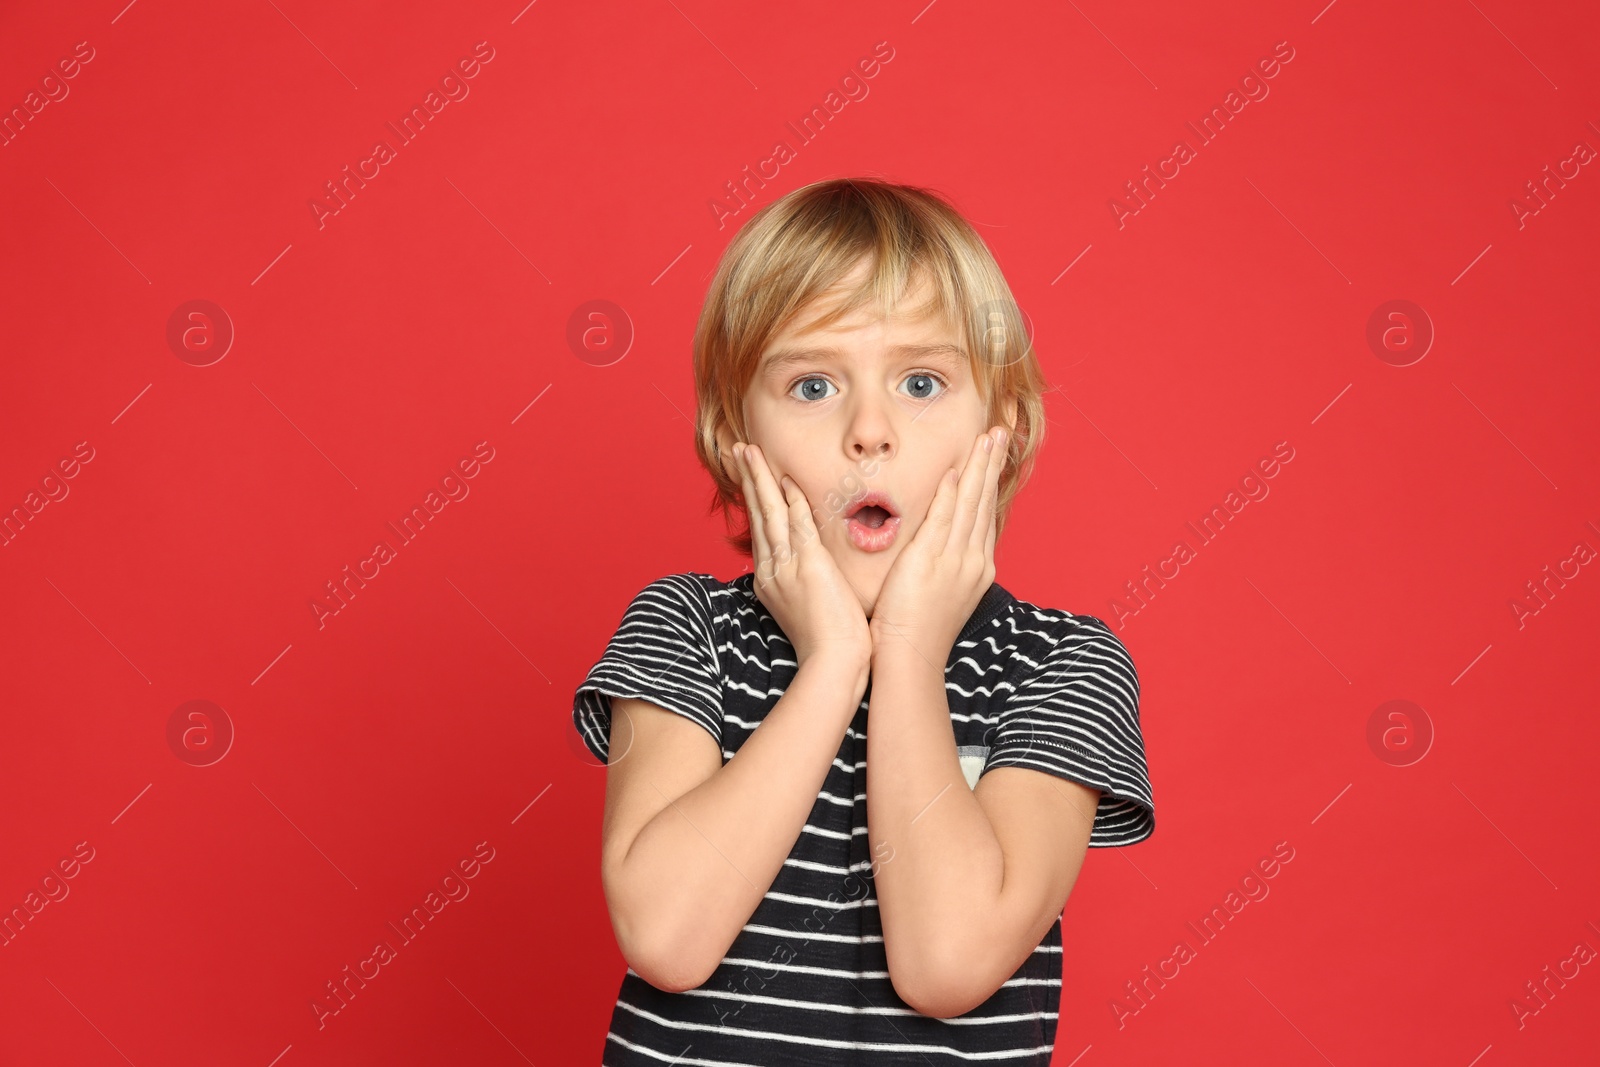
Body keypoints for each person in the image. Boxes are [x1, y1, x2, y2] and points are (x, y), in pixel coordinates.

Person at [571, 176, 1155, 1064]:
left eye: (921, 381)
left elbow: (947, 961)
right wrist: (834, 659)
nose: (869, 430)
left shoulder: (1062, 664)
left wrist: (909, 651)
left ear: (999, 423)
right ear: (739, 433)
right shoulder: (683, 627)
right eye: (812, 385)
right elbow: (665, 934)